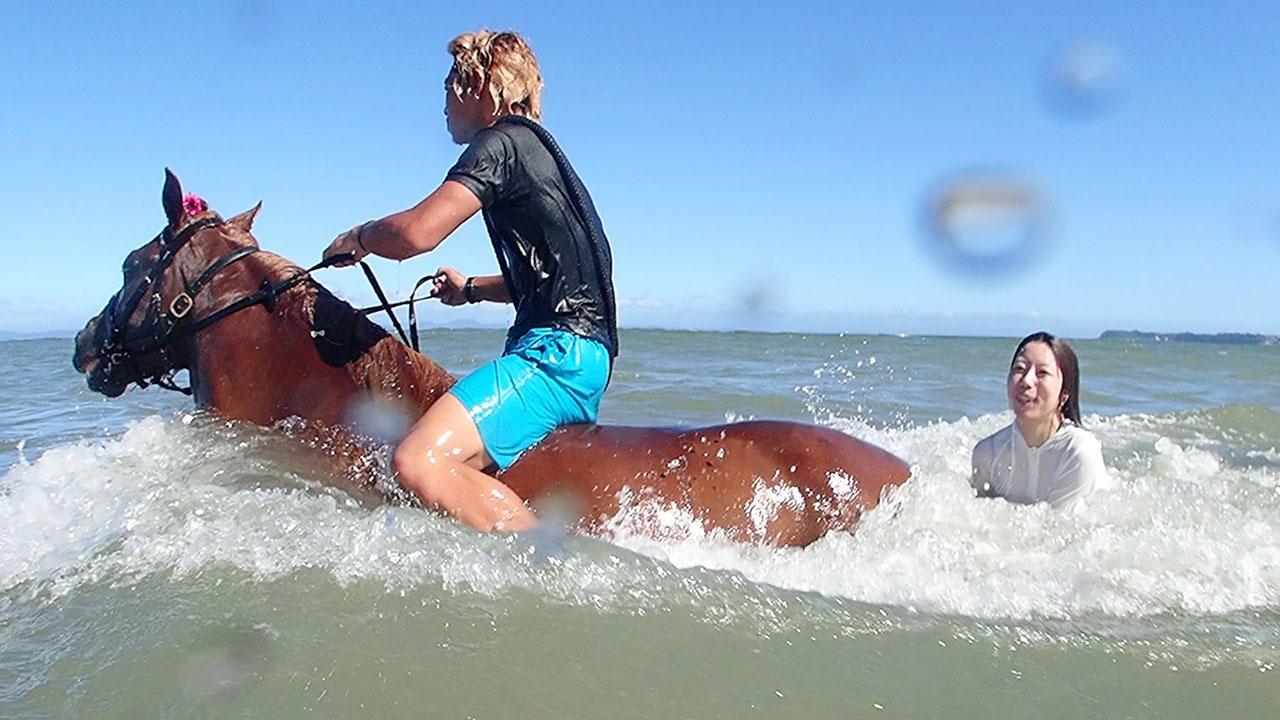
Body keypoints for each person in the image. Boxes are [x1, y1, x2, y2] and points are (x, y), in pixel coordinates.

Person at [323, 30, 617, 532]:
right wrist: (470, 290)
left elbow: (419, 232)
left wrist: (361, 237)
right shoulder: (542, 154)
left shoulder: (499, 143)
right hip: (584, 354)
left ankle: (548, 565)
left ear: (477, 84)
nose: (442, 105)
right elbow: (554, 278)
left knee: (418, 461)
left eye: (447, 86)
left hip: (555, 357)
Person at [971, 332, 1108, 509]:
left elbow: (1060, 529)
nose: (1026, 381)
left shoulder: (1079, 452)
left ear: (1065, 392)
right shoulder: (987, 453)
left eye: (1042, 372)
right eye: (1020, 369)